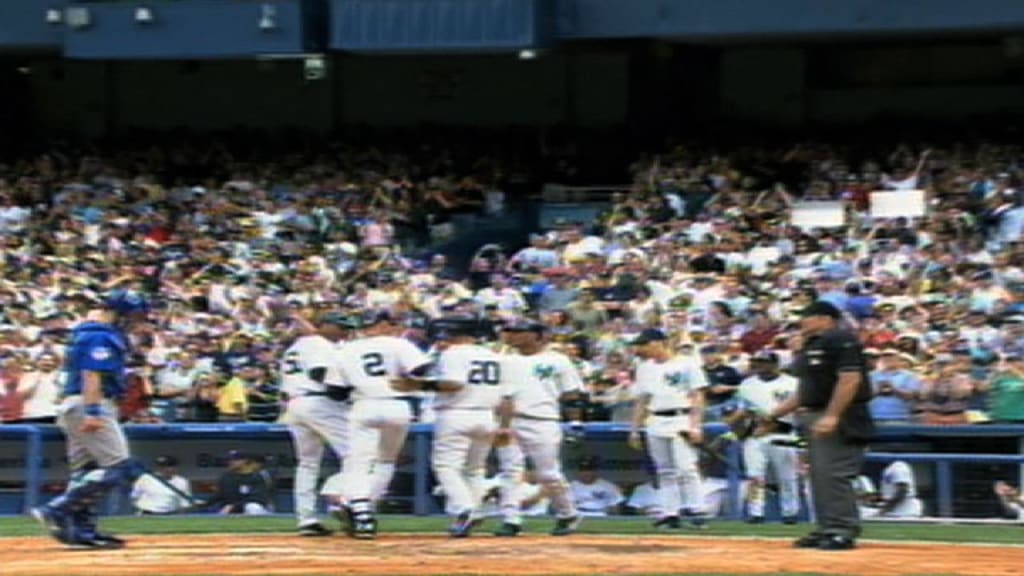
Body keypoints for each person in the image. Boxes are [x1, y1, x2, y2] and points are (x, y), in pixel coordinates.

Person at [32, 290, 150, 549]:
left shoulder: (86, 331)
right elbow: (92, 375)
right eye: (131, 315)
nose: (134, 321)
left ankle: (80, 531)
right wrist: (93, 412)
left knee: (86, 471)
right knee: (121, 467)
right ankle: (58, 509)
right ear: (116, 311)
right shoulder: (99, 334)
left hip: (77, 403)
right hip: (89, 402)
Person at [770, 300, 874, 551]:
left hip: (841, 415)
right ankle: (826, 527)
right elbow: (806, 390)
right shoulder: (811, 345)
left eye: (807, 316)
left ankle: (842, 530)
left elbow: (849, 380)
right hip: (814, 413)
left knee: (834, 473)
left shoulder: (840, 339)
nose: (802, 322)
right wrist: (774, 414)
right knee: (819, 476)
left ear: (825, 318)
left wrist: (832, 415)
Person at [393, 316, 507, 537]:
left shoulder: (454, 353)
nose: (442, 339)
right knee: (475, 470)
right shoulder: (493, 355)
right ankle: (474, 510)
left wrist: (418, 384)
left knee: (446, 466)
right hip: (486, 415)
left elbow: (454, 383)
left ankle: (466, 509)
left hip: (457, 414)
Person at [333, 312, 432, 538]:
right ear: (383, 324)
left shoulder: (346, 349)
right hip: (397, 406)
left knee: (359, 462)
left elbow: (335, 390)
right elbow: (422, 369)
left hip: (363, 405)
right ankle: (367, 507)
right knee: (386, 461)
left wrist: (362, 384)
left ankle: (360, 511)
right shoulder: (398, 343)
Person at [494, 319, 585, 537]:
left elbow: (572, 394)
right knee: (510, 471)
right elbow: (504, 396)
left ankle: (567, 512)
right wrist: (503, 426)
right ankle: (511, 518)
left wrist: (575, 422)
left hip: (543, 420)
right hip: (512, 420)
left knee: (548, 474)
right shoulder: (505, 361)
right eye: (511, 331)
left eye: (519, 331)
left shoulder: (557, 360)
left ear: (537, 335)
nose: (513, 335)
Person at [280, 312, 356, 537]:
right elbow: (320, 372)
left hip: (295, 404)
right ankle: (339, 497)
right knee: (358, 454)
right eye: (340, 326)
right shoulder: (318, 343)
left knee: (307, 464)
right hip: (319, 402)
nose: (345, 332)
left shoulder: (297, 346)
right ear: (323, 325)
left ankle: (307, 519)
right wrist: (348, 390)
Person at [628, 328, 709, 530]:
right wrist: (635, 429)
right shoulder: (644, 367)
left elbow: (698, 395)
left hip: (680, 416)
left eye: (645, 344)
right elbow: (642, 400)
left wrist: (695, 425)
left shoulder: (686, 363)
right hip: (655, 418)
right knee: (664, 470)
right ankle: (669, 512)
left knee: (686, 467)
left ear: (659, 342)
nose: (642, 349)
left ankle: (696, 509)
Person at [727, 350, 800, 524]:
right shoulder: (747, 384)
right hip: (755, 434)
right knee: (754, 476)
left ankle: (790, 512)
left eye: (765, 362)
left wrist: (773, 423)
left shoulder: (793, 383)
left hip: (784, 433)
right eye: (758, 362)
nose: (760, 366)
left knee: (787, 476)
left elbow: (799, 411)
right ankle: (755, 512)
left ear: (776, 364)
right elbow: (741, 411)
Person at [208, 451, 274, 515]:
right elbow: (220, 494)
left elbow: (258, 497)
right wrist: (205, 503)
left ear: (244, 461)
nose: (230, 462)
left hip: (253, 508)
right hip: (230, 510)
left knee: (252, 507)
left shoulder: (260, 476)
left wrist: (234, 506)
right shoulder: (226, 477)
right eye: (229, 460)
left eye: (234, 460)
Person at [859, 460, 924, 519]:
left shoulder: (898, 466)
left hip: (905, 512)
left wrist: (883, 511)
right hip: (898, 511)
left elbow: (902, 491)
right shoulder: (889, 469)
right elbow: (890, 494)